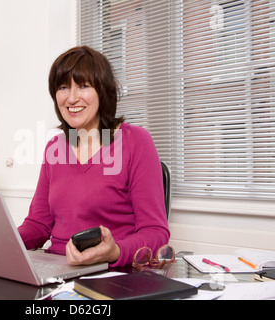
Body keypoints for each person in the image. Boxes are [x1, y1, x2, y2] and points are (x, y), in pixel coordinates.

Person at [18, 46, 169, 268]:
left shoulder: (135, 141)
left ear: (102, 91)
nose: (71, 98)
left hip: (109, 272)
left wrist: (115, 252)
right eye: (62, 87)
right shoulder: (55, 147)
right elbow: (38, 224)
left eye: (83, 86)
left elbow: (156, 232)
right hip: (54, 269)